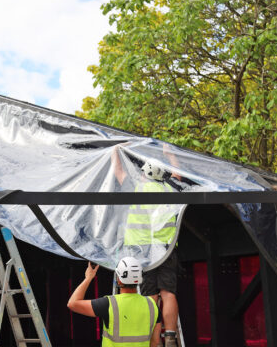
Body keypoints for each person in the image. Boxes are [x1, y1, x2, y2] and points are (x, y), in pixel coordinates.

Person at [112, 144, 192, 347]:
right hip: (165, 248)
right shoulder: (168, 189)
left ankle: (153, 341)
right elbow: (178, 176)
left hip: (143, 250)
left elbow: (118, 171)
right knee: (168, 293)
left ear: (145, 173)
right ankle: (171, 337)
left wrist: (116, 150)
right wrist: (170, 155)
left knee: (150, 297)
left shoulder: (136, 189)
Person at [67, 257, 160, 347]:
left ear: (119, 280)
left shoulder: (109, 304)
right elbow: (155, 341)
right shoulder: (152, 305)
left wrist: (88, 277)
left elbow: (72, 303)